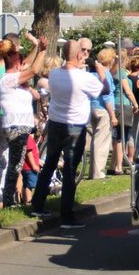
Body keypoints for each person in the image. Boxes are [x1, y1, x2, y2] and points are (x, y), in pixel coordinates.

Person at [30, 37, 106, 228]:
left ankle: (37, 205)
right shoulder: (85, 78)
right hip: (75, 126)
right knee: (71, 170)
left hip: (56, 123)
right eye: (84, 52)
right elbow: (102, 90)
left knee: (49, 164)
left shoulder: (54, 74)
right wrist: (101, 74)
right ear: (80, 54)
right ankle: (67, 215)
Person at [0, 32, 47, 207]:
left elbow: (30, 66)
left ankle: (6, 198)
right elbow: (34, 70)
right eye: (20, 59)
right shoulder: (8, 79)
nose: (22, 61)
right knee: (15, 164)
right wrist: (42, 51)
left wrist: (37, 49)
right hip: (15, 126)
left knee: (14, 162)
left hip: (18, 125)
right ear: (14, 62)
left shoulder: (15, 81)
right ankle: (6, 200)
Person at [88, 47, 117, 180]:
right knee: (102, 142)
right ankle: (98, 173)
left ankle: (92, 171)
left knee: (95, 140)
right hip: (103, 109)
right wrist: (113, 115)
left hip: (92, 107)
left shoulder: (92, 73)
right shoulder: (106, 74)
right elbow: (107, 96)